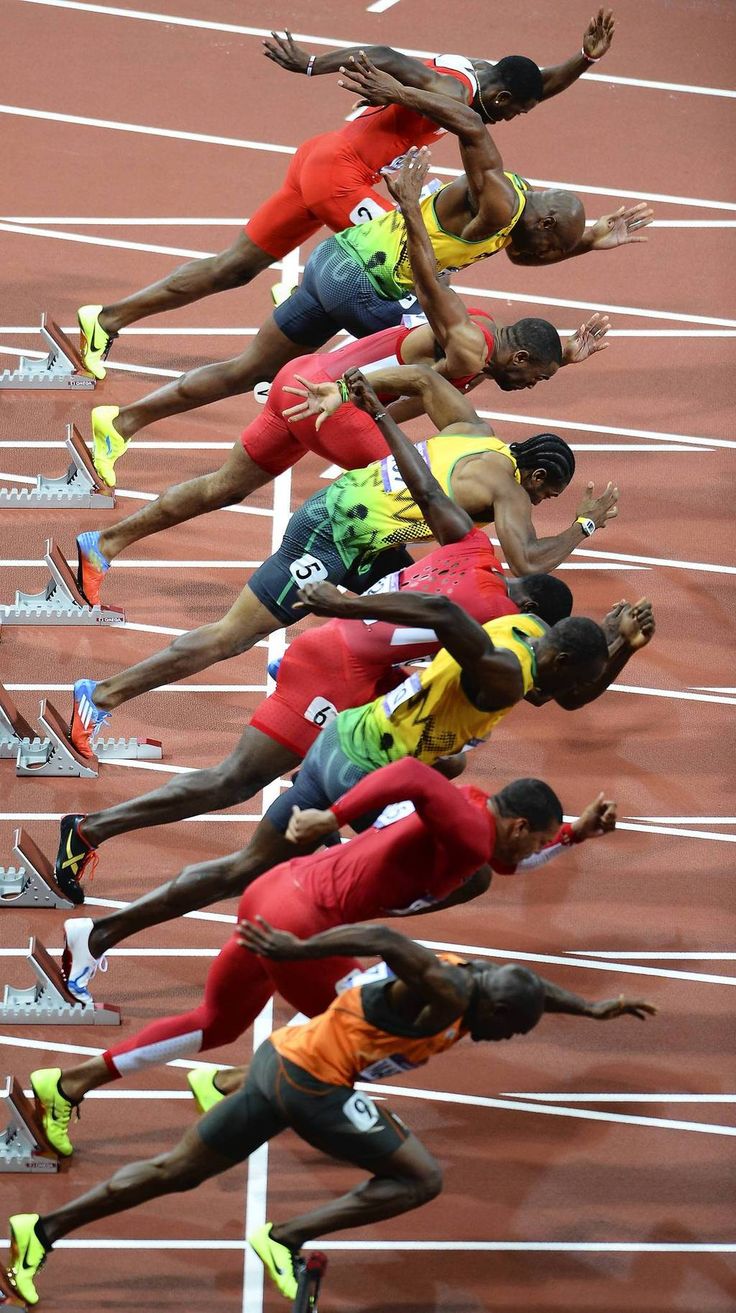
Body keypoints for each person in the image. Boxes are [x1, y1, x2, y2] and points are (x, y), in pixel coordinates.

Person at [5, 914, 654, 1308]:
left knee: (177, 1169)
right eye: (511, 1031)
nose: (508, 1040)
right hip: (314, 1085)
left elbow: (530, 989)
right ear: (493, 1009)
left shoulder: (481, 982)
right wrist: (292, 949)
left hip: (280, 1063)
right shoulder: (449, 991)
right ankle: (284, 1237)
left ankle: (44, 1228)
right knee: (421, 1176)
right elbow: (383, 935)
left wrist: (591, 1007)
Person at [84, 34, 646, 485]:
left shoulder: (509, 187)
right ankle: (353, 408)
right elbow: (459, 114)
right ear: (542, 222)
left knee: (242, 328)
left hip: (334, 244)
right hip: (352, 218)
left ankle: (124, 419)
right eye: (558, 242)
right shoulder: (483, 164)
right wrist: (341, 75)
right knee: (460, 353)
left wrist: (593, 236)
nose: (517, 117)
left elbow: (531, 99)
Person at [57, 441, 575, 901]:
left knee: (443, 760)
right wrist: (345, 609)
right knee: (232, 741)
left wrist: (377, 413)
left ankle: (323, 809)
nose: (528, 641)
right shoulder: (495, 620)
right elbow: (540, 685)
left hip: (357, 617)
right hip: (333, 608)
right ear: (524, 606)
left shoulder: (473, 549)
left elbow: (425, 487)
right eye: (534, 631)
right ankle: (95, 763)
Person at [74, 150, 608, 589]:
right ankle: (403, 621)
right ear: (515, 359)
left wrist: (563, 352)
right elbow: (431, 323)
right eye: (536, 377)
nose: (531, 387)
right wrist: (411, 212)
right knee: (420, 502)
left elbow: (426, 384)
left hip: (302, 381)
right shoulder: (466, 346)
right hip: (332, 404)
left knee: (226, 484)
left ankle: (106, 542)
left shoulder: (480, 341)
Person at [33, 760, 613, 1147]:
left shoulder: (475, 813)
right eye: (538, 838)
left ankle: (71, 1084)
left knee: (216, 1023)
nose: (535, 850)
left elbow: (506, 856)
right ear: (515, 825)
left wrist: (573, 835)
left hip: (277, 891)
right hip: (303, 925)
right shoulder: (469, 829)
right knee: (374, 1033)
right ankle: (329, 1126)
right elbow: (411, 772)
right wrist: (332, 816)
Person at [67, 366, 618, 758]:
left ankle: (315, 663)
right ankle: (102, 696)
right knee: (230, 637)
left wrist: (347, 390)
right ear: (539, 478)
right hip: (332, 538)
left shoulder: (474, 431)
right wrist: (584, 525)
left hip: (363, 532)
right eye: (549, 497)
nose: (540, 506)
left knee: (406, 601)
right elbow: (528, 559)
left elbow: (425, 378)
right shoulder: (511, 489)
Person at [76, 11, 616, 380]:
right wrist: (311, 64)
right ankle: (309, 354)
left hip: (322, 158)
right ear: (499, 96)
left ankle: (106, 319)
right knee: (409, 266)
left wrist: (584, 60)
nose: (513, 118)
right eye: (514, 111)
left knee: (233, 267)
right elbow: (383, 54)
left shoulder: (475, 73)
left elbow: (531, 82)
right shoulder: (457, 94)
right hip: (343, 176)